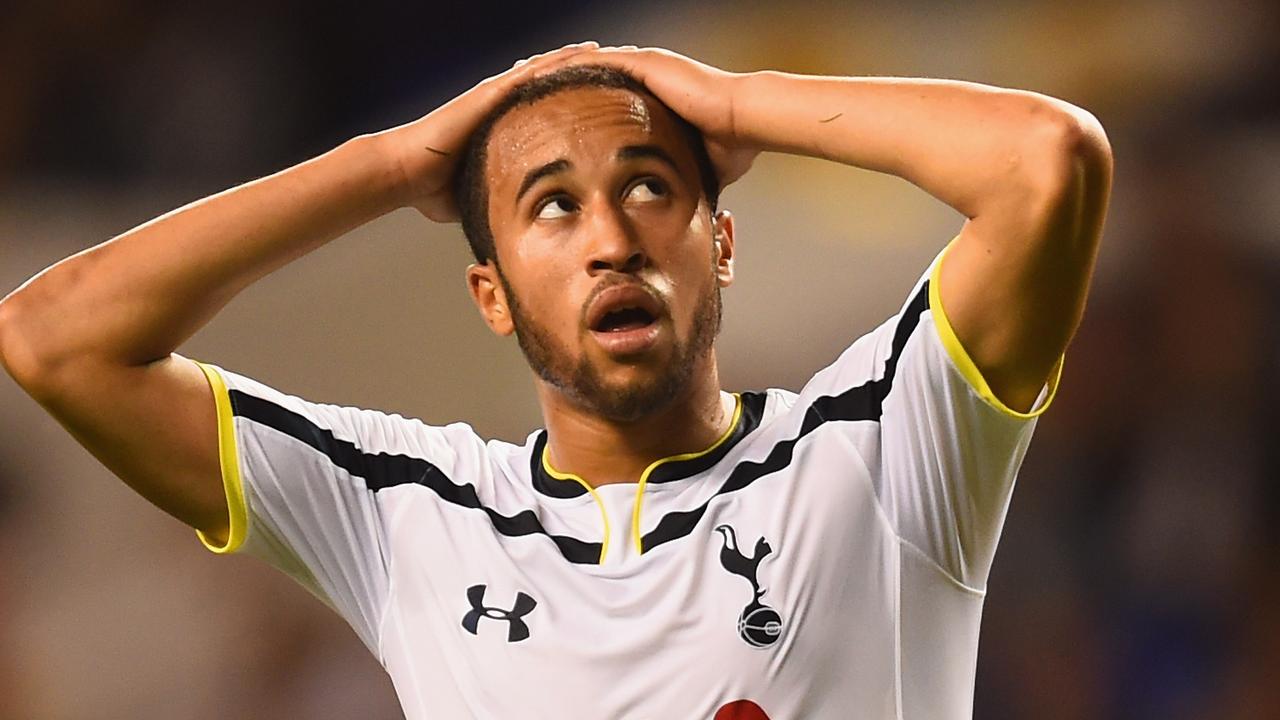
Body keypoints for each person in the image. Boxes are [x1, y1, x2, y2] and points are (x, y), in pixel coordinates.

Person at [0, 41, 1112, 719]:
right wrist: (389, 166)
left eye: (648, 187)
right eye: (551, 205)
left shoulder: (876, 451)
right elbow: (55, 339)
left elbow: (1043, 161)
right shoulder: (406, 515)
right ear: (491, 294)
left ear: (718, 244)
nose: (611, 240)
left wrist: (728, 105)